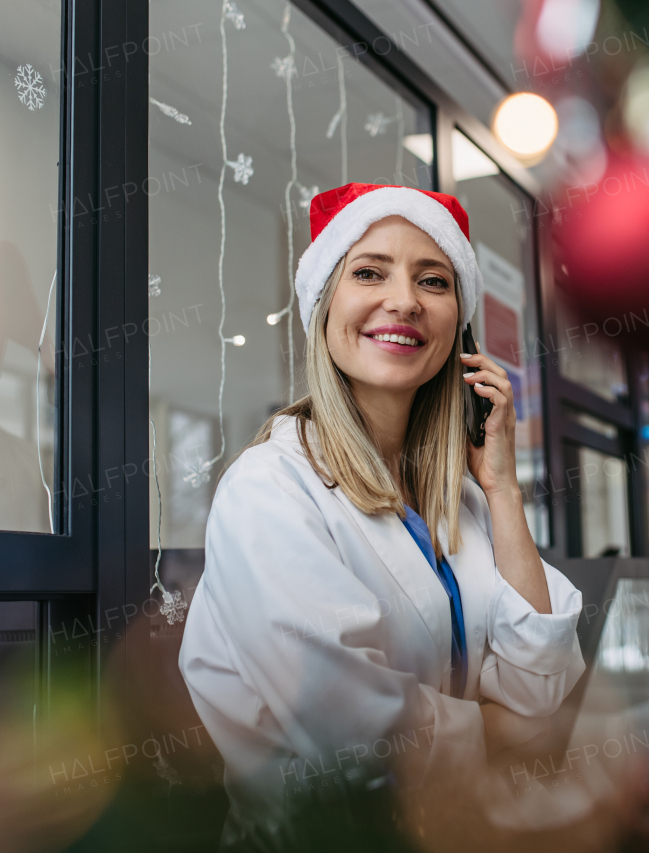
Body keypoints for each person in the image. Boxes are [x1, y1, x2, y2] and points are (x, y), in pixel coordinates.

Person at [178, 183, 586, 847]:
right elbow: (353, 734)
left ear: (460, 326)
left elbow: (541, 684)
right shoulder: (270, 489)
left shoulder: (470, 502)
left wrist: (505, 487)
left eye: (434, 280)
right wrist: (499, 731)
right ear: (323, 304)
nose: (404, 301)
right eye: (369, 272)